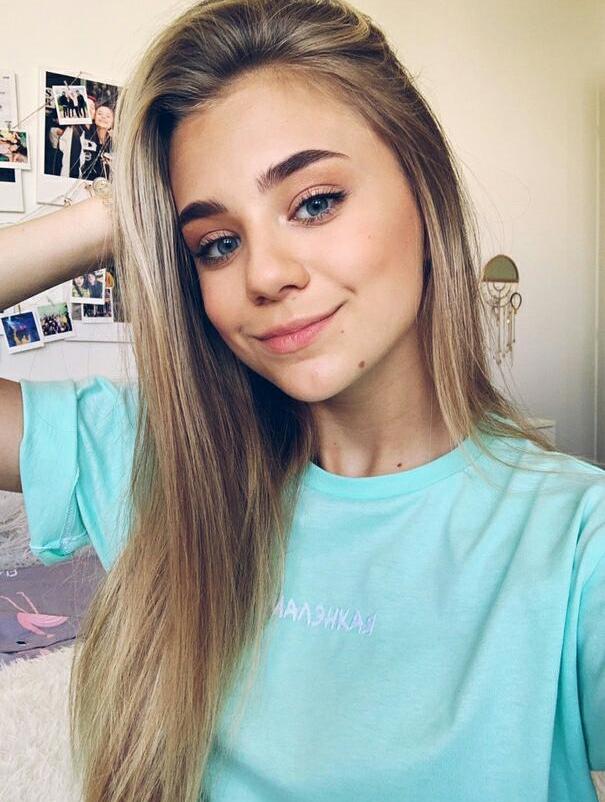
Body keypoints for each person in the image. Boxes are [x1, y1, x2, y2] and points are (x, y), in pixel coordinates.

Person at [0, 2, 603, 801]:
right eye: (216, 243)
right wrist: (121, 213)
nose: (264, 274)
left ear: (423, 193)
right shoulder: (158, 459)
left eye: (314, 202)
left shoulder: (577, 541)